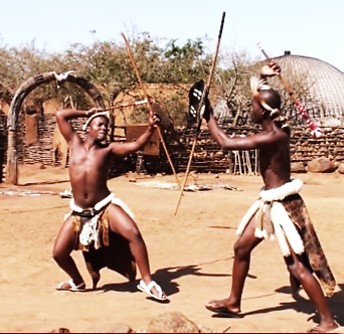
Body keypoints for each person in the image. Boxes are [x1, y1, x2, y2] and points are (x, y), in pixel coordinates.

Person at [198, 61, 339, 332]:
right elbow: (263, 98)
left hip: (282, 206)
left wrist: (209, 117)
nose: (250, 109)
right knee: (241, 248)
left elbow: (227, 143)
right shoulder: (278, 128)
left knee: (297, 265)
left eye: (253, 106)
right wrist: (262, 77)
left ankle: (328, 320)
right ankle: (233, 303)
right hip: (271, 202)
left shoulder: (272, 136)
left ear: (262, 111)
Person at [53, 106, 168, 302]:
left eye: (107, 125)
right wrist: (86, 112)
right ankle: (78, 282)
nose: (105, 128)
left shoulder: (108, 149)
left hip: (103, 207)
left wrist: (150, 129)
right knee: (58, 253)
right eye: (100, 124)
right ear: (88, 127)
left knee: (132, 232)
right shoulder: (74, 143)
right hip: (79, 212)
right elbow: (60, 115)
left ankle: (147, 282)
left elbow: (135, 145)